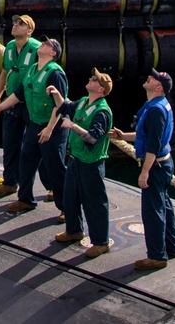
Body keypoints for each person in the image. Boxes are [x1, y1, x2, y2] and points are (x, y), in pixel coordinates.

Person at [0, 34, 68, 214]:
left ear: (53, 53)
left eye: (47, 44)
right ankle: (25, 200)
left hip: (52, 128)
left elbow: (60, 106)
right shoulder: (33, 69)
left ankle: (67, 209)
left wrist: (49, 129)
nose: (43, 44)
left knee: (55, 169)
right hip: (35, 124)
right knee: (26, 161)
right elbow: (19, 93)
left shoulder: (55, 74)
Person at [111, 70, 175, 272]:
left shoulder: (156, 111)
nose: (148, 78)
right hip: (163, 163)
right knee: (164, 206)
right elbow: (146, 136)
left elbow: (153, 145)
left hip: (155, 166)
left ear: (159, 87)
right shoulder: (158, 106)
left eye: (152, 79)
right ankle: (172, 246)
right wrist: (123, 136)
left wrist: (145, 172)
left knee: (153, 212)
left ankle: (157, 256)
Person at [51, 69, 114, 259]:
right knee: (70, 196)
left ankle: (101, 242)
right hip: (76, 159)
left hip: (91, 163)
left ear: (101, 89)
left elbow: (93, 138)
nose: (90, 78)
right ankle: (74, 230)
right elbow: (66, 107)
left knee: (94, 202)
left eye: (94, 79)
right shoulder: (83, 102)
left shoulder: (101, 112)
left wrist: (72, 126)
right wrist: (56, 95)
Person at [0, 13, 40, 199]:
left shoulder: (37, 50)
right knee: (10, 145)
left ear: (30, 31)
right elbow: (5, 72)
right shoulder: (9, 47)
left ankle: (51, 187)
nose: (15, 25)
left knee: (36, 148)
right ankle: (10, 182)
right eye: (15, 22)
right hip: (11, 104)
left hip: (31, 105)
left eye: (21, 24)